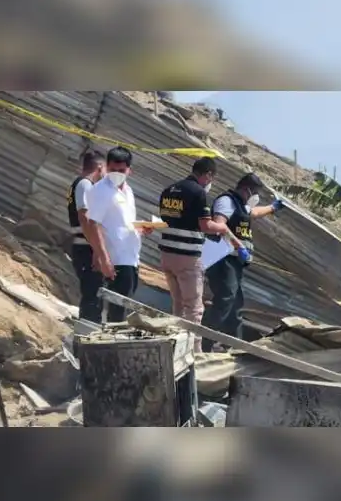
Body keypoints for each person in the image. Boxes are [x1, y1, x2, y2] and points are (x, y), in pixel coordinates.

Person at [157, 156, 241, 352]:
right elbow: (205, 225)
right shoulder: (198, 192)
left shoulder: (168, 190)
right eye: (211, 178)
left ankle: (175, 348)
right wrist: (222, 228)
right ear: (208, 174)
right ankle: (194, 353)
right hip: (186, 257)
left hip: (167, 254)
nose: (210, 183)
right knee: (194, 308)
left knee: (178, 305)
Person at [201, 173, 284, 351]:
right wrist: (238, 246)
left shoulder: (241, 205)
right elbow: (219, 225)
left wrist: (273, 207)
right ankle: (203, 341)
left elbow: (253, 212)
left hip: (234, 262)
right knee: (225, 299)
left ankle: (234, 344)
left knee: (236, 303)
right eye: (254, 192)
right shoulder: (227, 201)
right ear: (246, 189)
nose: (256, 197)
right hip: (223, 260)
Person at [85, 146, 153, 322]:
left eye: (121, 170)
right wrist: (104, 259)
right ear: (106, 167)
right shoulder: (101, 191)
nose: (116, 174)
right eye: (112, 170)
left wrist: (140, 229)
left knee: (122, 311)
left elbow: (120, 223)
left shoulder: (128, 191)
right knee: (116, 315)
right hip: (114, 261)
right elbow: (93, 224)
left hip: (130, 258)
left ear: (130, 170)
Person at [66, 149, 106, 323]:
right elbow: (85, 218)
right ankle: (87, 332)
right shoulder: (84, 185)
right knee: (92, 295)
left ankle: (88, 329)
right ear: (99, 167)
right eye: (105, 168)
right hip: (85, 249)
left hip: (85, 247)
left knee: (93, 293)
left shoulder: (80, 185)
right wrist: (98, 251)